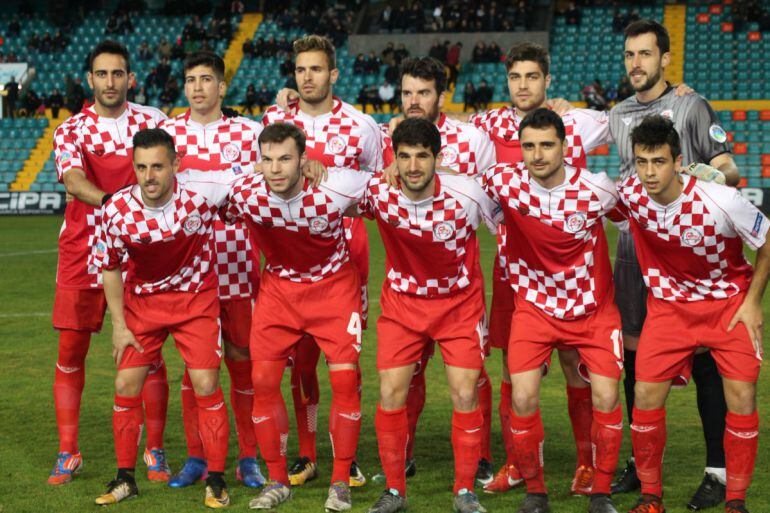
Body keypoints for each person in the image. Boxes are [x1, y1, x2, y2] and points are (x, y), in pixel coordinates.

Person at [468, 42, 617, 496]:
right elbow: (438, 134)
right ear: (507, 80)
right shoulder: (487, 124)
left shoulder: (577, 121)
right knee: (516, 371)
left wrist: (677, 95)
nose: (523, 86)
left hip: (574, 271)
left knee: (577, 365)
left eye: (532, 77)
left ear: (548, 81)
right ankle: (518, 462)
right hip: (514, 269)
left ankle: (586, 464)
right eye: (516, 77)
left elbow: (632, 120)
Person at [607, 21, 741, 509]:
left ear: (665, 58)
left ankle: (718, 471)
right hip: (632, 255)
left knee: (706, 361)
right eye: (628, 55)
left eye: (645, 54)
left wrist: (708, 173)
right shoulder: (618, 114)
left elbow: (729, 165)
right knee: (636, 362)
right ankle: (641, 467)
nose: (635, 63)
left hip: (688, 257)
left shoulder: (691, 105)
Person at [618, 116, 766, 513]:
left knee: (742, 398)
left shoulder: (721, 199)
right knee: (644, 394)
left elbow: (766, 239)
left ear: (678, 161)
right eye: (642, 161)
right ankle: (651, 497)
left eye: (659, 162)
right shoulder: (631, 193)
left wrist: (753, 303)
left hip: (727, 307)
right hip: (669, 310)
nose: (649, 172)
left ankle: (735, 500)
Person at [225, 123, 370, 511]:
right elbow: (204, 192)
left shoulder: (336, 185)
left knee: (344, 380)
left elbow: (389, 184)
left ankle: (340, 481)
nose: (275, 169)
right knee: (262, 380)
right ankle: (276, 480)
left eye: (285, 159)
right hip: (279, 292)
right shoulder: (244, 191)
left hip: (334, 290)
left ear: (303, 160)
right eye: (268, 160)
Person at [93, 128, 239, 508]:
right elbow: (109, 268)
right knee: (126, 383)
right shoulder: (116, 210)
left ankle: (217, 480)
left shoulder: (201, 197)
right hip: (143, 303)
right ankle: (125, 478)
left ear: (176, 165)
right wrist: (119, 326)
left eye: (158, 166)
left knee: (206, 383)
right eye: (141, 167)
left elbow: (252, 178)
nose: (149, 176)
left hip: (196, 301)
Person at [264, 35, 384, 488]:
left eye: (316, 69)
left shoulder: (361, 125)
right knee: (301, 362)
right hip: (288, 262)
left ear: (333, 74)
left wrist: (329, 174)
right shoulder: (276, 118)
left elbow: (376, 186)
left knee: (344, 364)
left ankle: (345, 457)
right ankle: (308, 452)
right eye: (300, 70)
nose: (307, 77)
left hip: (346, 261)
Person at [50, 40, 170, 487]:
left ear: (130, 79)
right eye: (101, 74)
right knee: (70, 352)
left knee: (147, 352)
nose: (110, 82)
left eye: (117, 74)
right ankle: (68, 451)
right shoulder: (72, 130)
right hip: (82, 250)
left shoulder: (153, 121)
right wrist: (116, 203)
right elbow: (74, 180)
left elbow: (198, 137)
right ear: (90, 80)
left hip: (141, 253)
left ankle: (154, 450)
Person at [362, 118, 496, 513]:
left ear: (438, 157)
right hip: (403, 305)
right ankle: (394, 491)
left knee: (465, 392)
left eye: (423, 155)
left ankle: (464, 491)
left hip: (458, 304)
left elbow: (507, 218)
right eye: (404, 156)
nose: (413, 166)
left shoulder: (468, 194)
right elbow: (330, 189)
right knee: (390, 393)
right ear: (394, 159)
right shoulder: (377, 192)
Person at [158, 51, 266, 490]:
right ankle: (197, 456)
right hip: (187, 271)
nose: (198, 87)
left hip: (238, 264)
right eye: (190, 79)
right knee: (195, 368)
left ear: (222, 87)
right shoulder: (168, 133)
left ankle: (247, 457)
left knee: (243, 361)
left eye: (206, 79)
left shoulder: (249, 132)